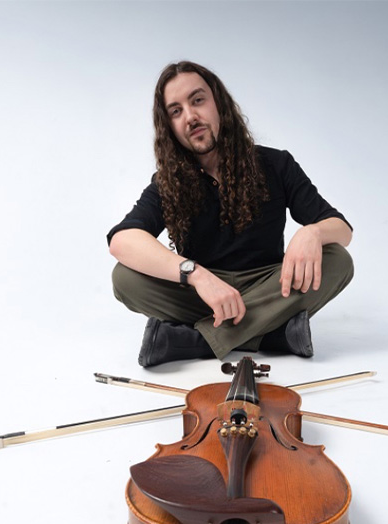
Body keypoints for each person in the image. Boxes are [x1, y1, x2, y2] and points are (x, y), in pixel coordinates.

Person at [108, 61, 354, 367]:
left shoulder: (276, 164)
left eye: (197, 100)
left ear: (218, 103)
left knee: (338, 260)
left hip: (272, 285)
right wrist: (196, 276)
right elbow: (122, 240)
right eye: (176, 111)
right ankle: (272, 335)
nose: (190, 116)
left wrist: (313, 232)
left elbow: (342, 230)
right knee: (125, 277)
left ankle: (196, 340)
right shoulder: (167, 182)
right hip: (206, 292)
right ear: (169, 126)